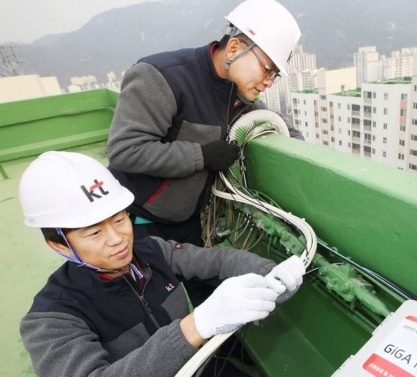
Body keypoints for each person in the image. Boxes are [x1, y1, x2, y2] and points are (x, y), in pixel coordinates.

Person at [18, 151, 305, 377]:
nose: (118, 239)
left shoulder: (152, 251)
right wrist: (197, 325)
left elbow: (217, 260)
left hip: (200, 367)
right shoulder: (51, 320)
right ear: (57, 244)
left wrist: (269, 272)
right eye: (94, 232)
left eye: (120, 219)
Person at [106, 0, 302, 255]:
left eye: (274, 75)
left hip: (187, 222)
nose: (268, 82)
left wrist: (298, 147)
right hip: (138, 223)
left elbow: (276, 124)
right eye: (267, 70)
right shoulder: (161, 76)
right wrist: (202, 156)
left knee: (203, 289)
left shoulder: (238, 93)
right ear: (234, 48)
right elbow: (125, 151)